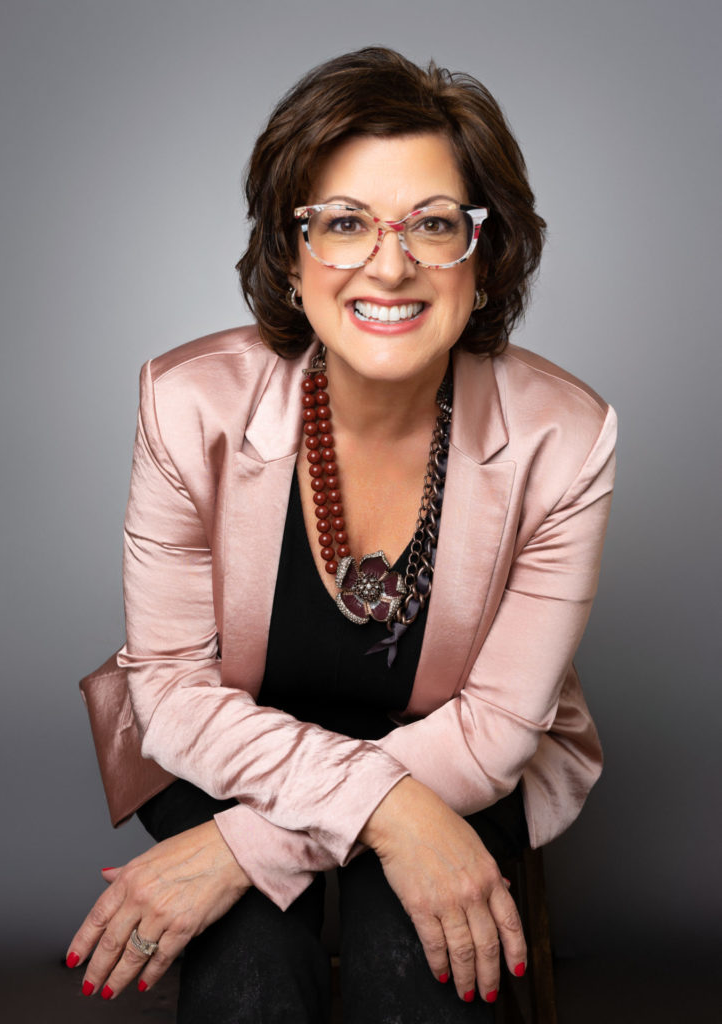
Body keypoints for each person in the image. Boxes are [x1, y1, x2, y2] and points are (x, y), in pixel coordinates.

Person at [66, 47, 616, 1023]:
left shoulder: (563, 437)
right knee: (248, 975)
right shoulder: (188, 402)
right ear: (291, 252)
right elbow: (176, 694)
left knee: (417, 978)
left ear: (482, 262)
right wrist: (388, 813)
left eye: (434, 225)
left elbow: (493, 730)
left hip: (450, 753)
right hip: (228, 750)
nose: (389, 262)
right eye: (344, 223)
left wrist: (240, 849)